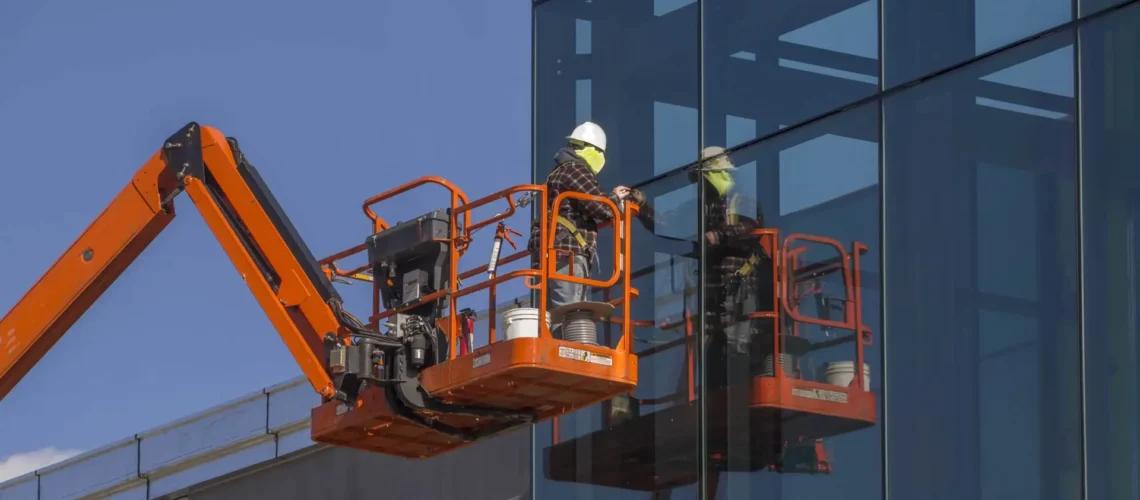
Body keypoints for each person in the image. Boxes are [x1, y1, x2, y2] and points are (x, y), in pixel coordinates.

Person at [628, 146, 771, 390]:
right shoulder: (699, 207)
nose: (700, 185)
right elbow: (667, 223)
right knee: (710, 349)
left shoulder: (742, 201)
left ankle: (738, 392)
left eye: (703, 178)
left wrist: (718, 235)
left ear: (718, 175)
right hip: (711, 291)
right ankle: (718, 395)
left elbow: (750, 226)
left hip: (739, 287)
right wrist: (642, 207)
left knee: (736, 344)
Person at [527, 121, 629, 336]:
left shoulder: (560, 172)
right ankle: (566, 350)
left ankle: (566, 346)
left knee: (567, 309)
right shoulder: (575, 169)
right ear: (592, 150)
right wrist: (614, 200)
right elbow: (600, 207)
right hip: (567, 253)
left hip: (558, 253)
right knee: (569, 311)